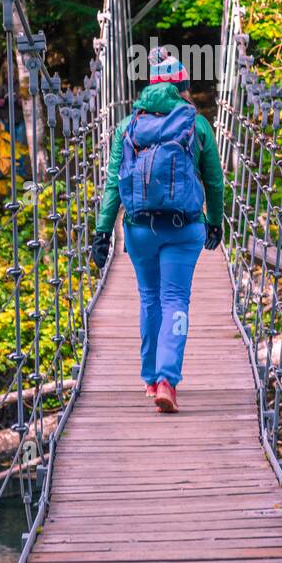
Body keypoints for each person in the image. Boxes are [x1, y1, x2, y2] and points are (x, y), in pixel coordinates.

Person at [90, 46, 224, 413]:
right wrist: (215, 221)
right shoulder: (196, 125)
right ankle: (168, 379)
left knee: (149, 299)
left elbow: (114, 184)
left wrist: (103, 231)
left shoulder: (127, 125)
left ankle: (149, 378)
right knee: (175, 300)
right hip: (184, 229)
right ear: (183, 88)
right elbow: (214, 183)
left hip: (139, 229)